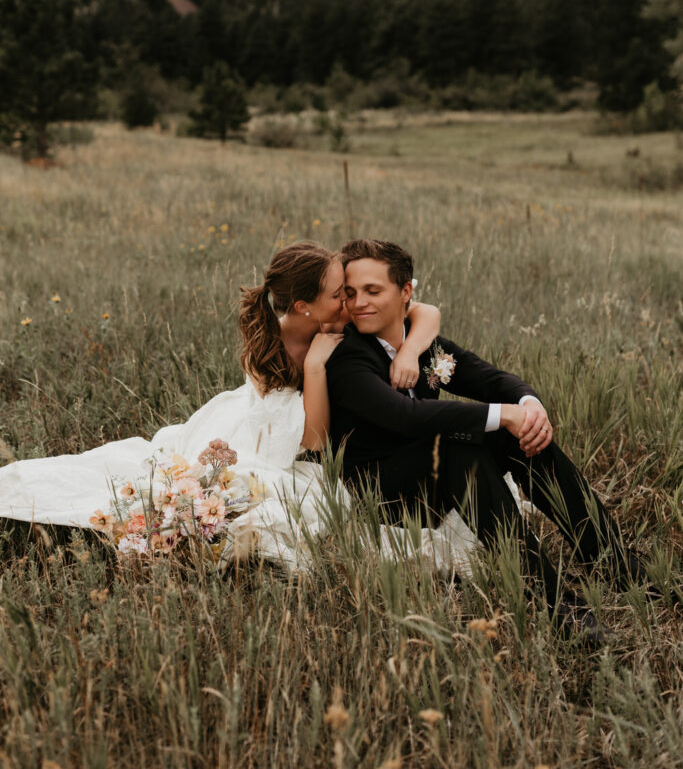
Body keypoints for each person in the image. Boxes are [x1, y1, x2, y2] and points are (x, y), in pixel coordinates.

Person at [0, 241, 446, 569]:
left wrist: (409, 353)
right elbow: (311, 438)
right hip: (259, 434)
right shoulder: (281, 345)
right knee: (247, 497)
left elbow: (424, 310)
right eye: (339, 294)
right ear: (304, 306)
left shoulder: (344, 320)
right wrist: (314, 368)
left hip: (290, 430)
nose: (350, 300)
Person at [325, 238, 656, 643]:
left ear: (405, 292)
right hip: (382, 490)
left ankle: (611, 562)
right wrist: (505, 415)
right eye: (352, 293)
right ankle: (557, 604)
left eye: (373, 291)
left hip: (433, 474)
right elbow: (405, 417)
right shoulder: (348, 358)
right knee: (458, 445)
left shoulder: (424, 346)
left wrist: (528, 406)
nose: (359, 303)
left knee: (516, 438)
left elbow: (491, 378)